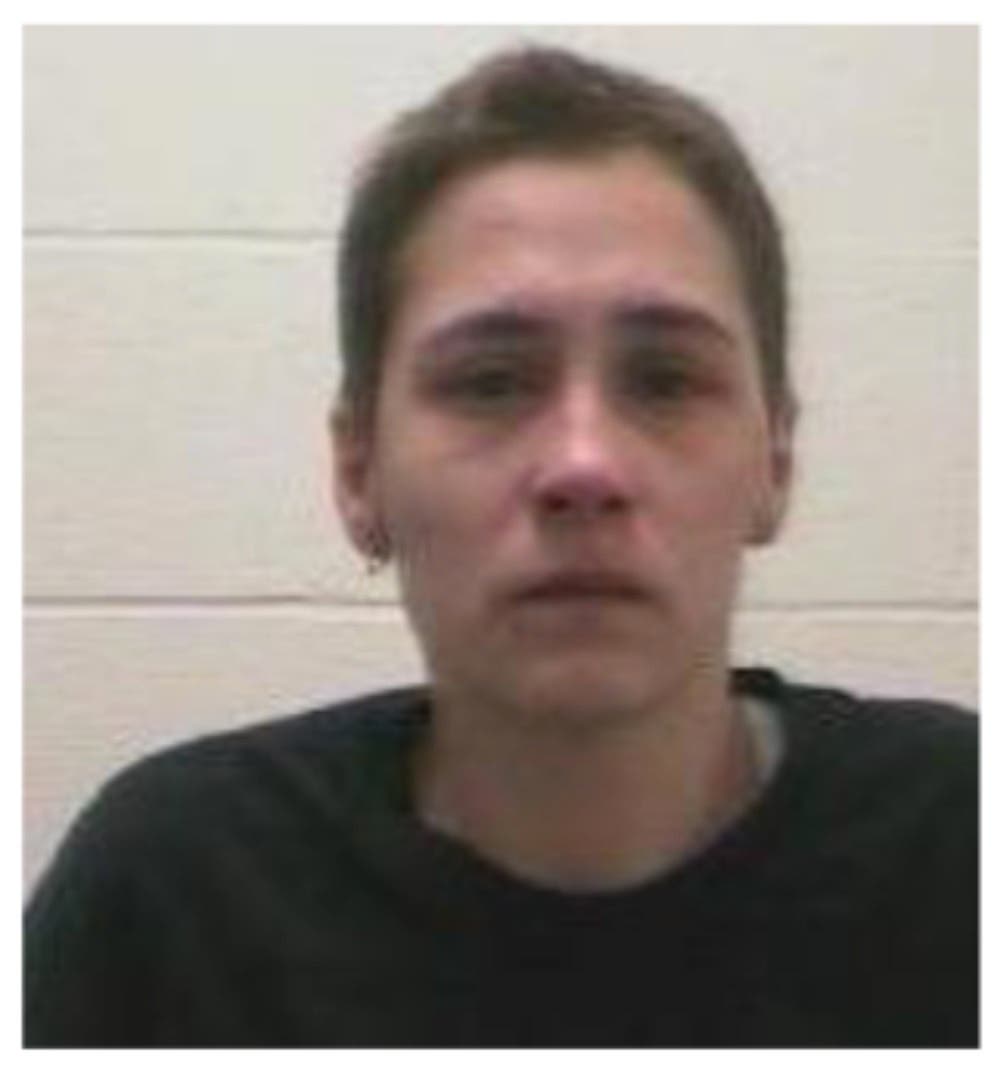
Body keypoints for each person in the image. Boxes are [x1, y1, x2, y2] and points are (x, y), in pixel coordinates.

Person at [24, 45, 977, 1048]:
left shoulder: (962, 847)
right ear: (359, 471)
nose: (583, 465)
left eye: (664, 381)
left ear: (774, 460)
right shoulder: (174, 899)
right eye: (489, 383)